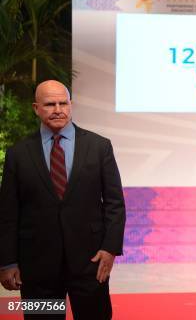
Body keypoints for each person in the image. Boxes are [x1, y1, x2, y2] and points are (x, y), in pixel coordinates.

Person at [0, 80, 126, 320]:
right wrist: (7, 262)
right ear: (36, 108)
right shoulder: (18, 153)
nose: (58, 109)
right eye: (49, 104)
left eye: (63, 103)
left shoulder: (99, 147)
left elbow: (114, 204)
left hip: (91, 262)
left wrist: (110, 249)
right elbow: (8, 212)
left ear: (71, 105)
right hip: (36, 266)